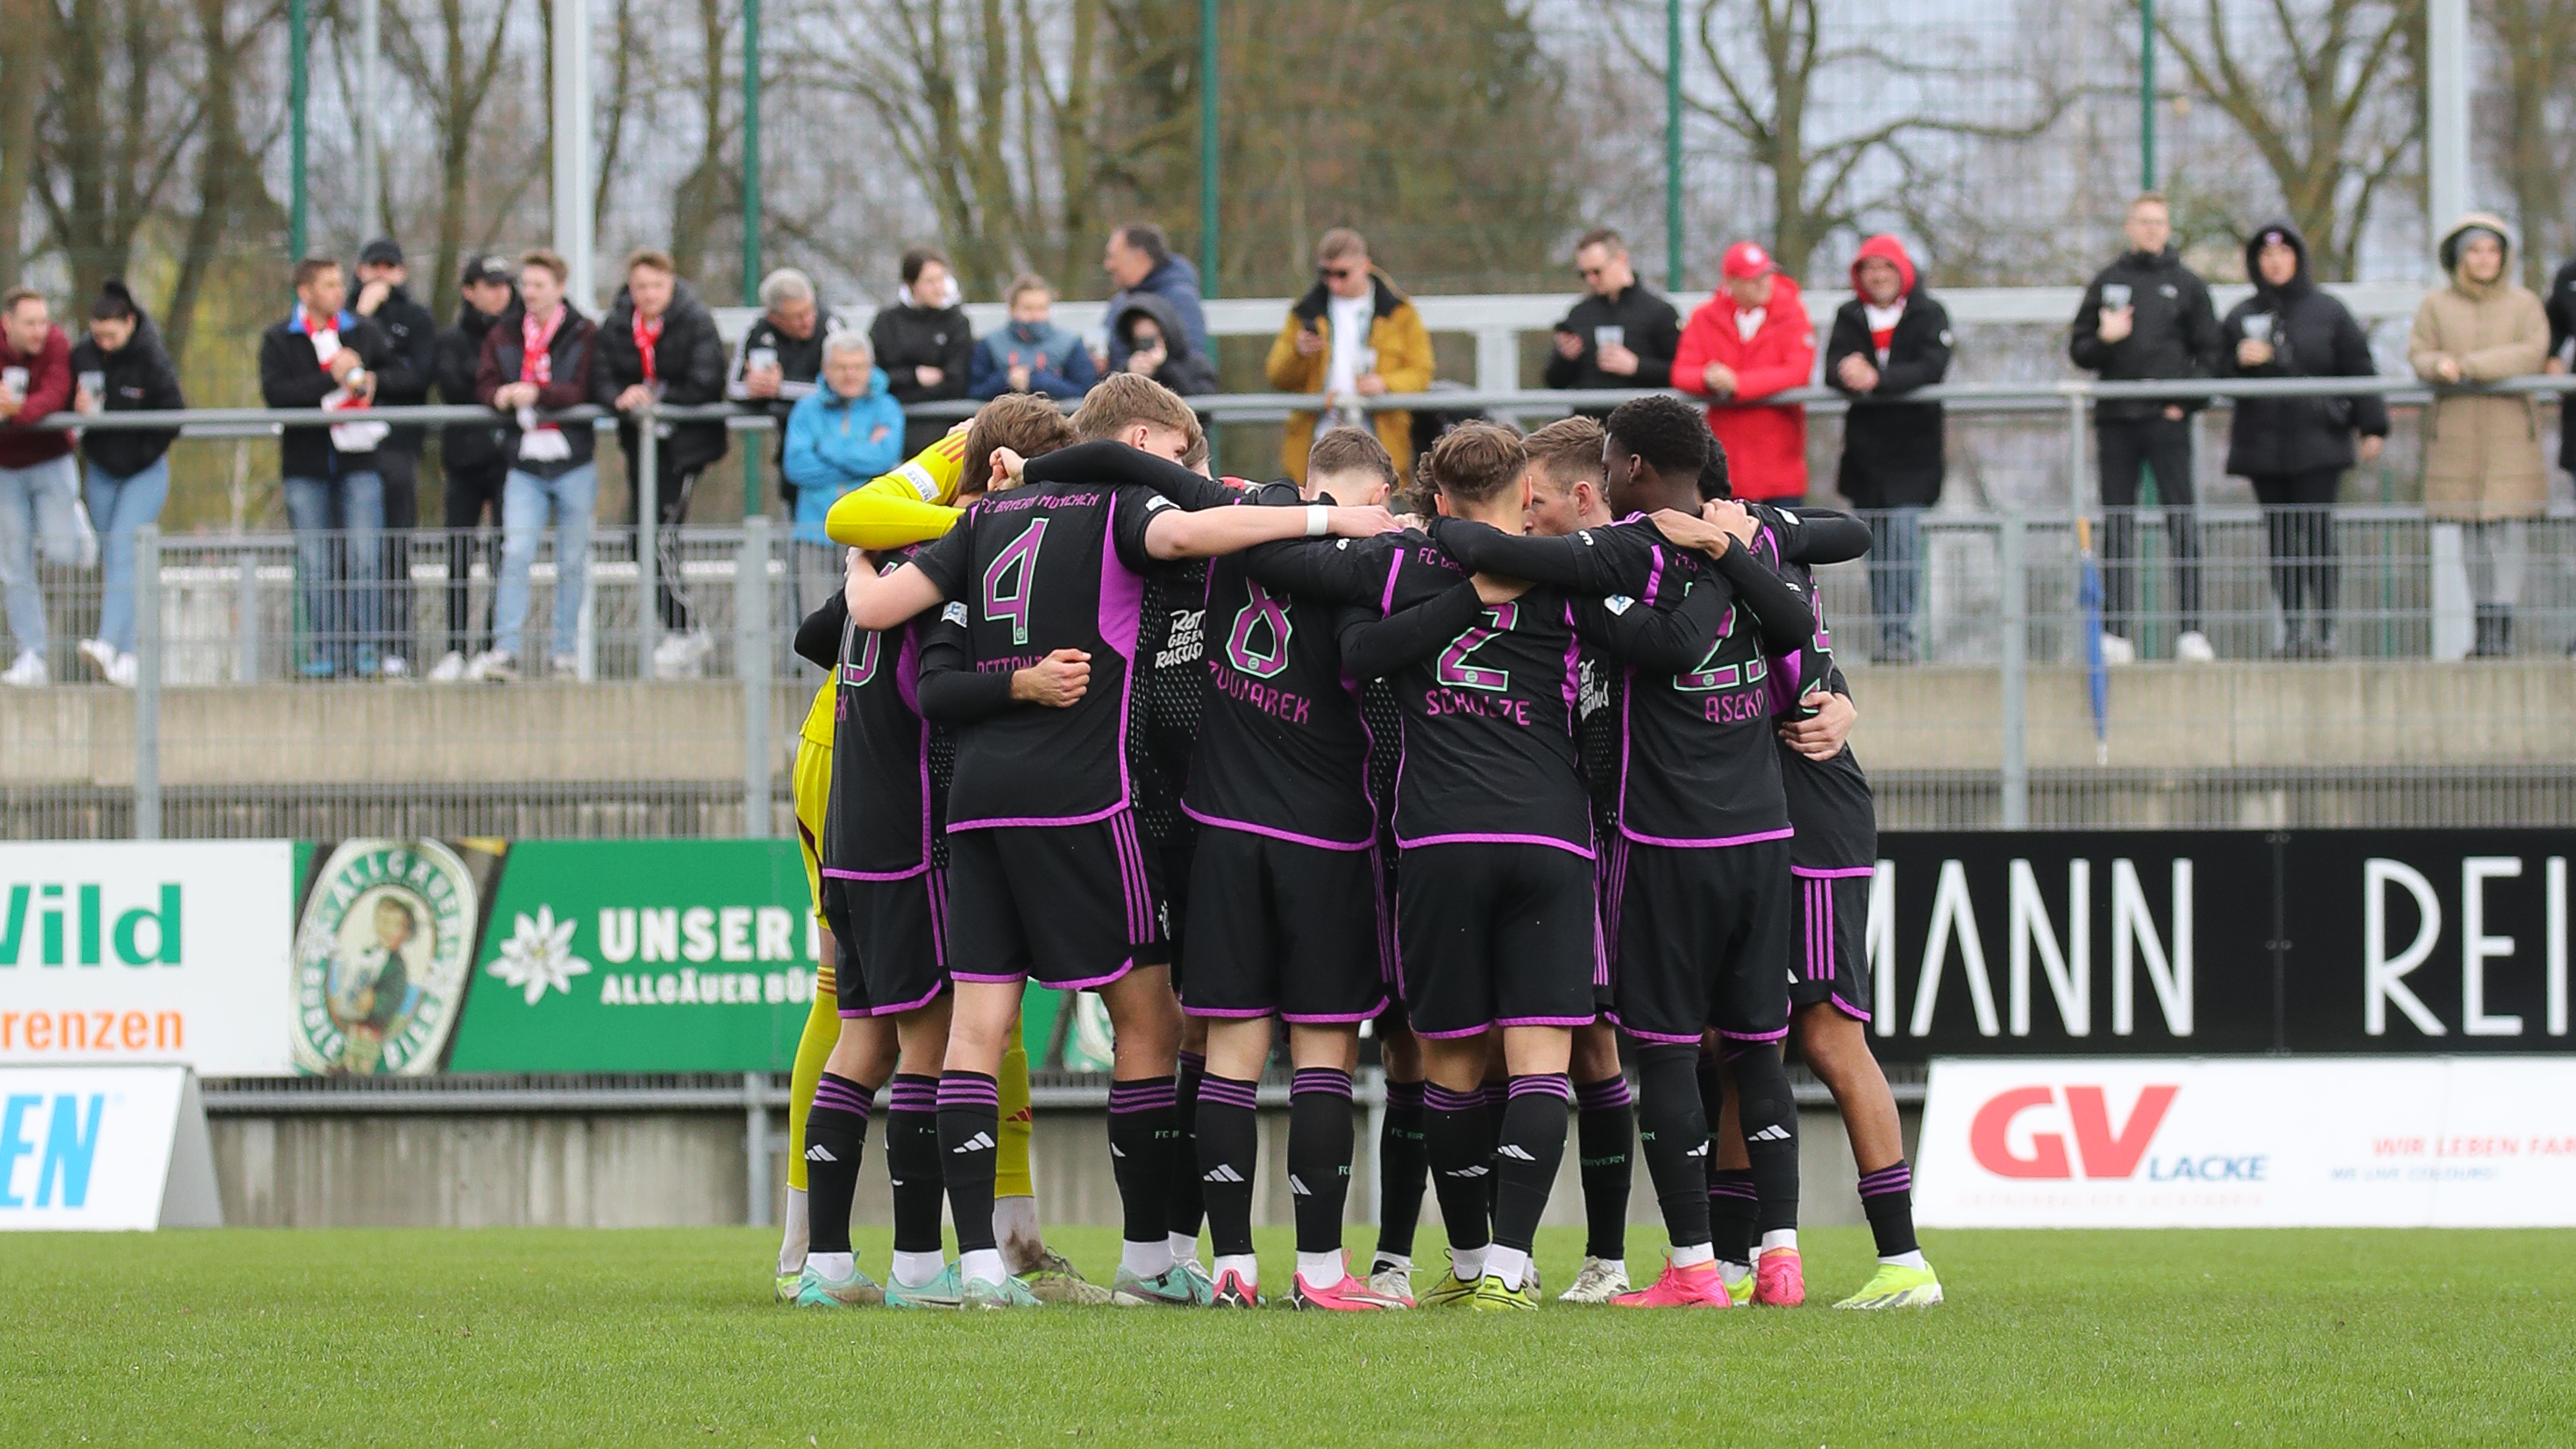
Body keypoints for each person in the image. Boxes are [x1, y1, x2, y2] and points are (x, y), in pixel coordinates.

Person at [838, 380, 1398, 1310]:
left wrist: (861, 571)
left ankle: (975, 1267)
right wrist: (1326, 521)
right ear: (1142, 439)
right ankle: (1148, 1260)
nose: (1188, 478)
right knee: (1147, 1019)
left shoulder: (987, 517)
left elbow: (881, 606)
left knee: (977, 1028)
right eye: (1182, 457)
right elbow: (1188, 535)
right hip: (1086, 796)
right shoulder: (1123, 505)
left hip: (975, 802)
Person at [1421, 403, 1816, 1310]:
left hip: (1664, 838)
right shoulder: (1744, 546)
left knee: (1670, 1054)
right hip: (1761, 836)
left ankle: (1688, 1267)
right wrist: (1732, 555)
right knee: (1758, 1049)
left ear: (1629, 472)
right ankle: (1779, 1259)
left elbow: (1522, 561)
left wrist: (1434, 518)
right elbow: (1799, 618)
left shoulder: (1626, 552)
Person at [1743, 496, 1946, 1310]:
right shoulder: (1687, 562)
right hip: (1751, 827)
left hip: (1814, 824)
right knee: (1738, 1043)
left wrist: (1841, 700)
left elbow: (1851, 535)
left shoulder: (1755, 560)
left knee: (1828, 1035)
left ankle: (1903, 1259)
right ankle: (1733, 1259)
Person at [2220, 221, 2389, 659]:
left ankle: (2326, 628)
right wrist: (2238, 361)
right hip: (2263, 446)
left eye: (2283, 253)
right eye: (2266, 255)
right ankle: (2291, 629)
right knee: (2279, 538)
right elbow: (2215, 370)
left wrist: (2372, 425)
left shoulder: (2328, 311)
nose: (2275, 262)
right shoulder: (2241, 316)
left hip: (2319, 443)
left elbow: (2358, 366)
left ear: (2298, 257)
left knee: (2317, 534)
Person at [2069, 193, 2221, 664]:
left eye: (2159, 221)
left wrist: (2186, 400)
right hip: (2117, 422)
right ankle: (2115, 633)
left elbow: (2212, 355)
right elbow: (2080, 350)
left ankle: (2192, 630)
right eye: (2143, 221)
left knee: (2182, 521)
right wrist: (2104, 337)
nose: (2152, 229)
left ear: (2169, 227)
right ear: (2129, 226)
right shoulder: (2108, 282)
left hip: (2168, 423)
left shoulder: (2189, 285)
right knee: (2119, 524)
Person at [2411, 213, 2550, 658]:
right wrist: (2437, 366)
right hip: (2457, 434)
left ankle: (2503, 627)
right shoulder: (2436, 304)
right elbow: (2420, 352)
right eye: (2474, 250)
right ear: (2459, 256)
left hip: (2510, 434)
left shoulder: (2524, 303)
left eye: (2492, 249)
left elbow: (2532, 352)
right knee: (2470, 532)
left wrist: (2468, 365)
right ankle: (2483, 628)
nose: (2484, 259)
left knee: (2507, 531)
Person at [593, 249, 729, 678]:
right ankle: (682, 627)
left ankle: (685, 627)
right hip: (640, 445)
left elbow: (708, 379)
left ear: (671, 284)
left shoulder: (695, 320)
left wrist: (659, 398)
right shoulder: (617, 325)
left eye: (656, 286)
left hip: (684, 447)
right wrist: (623, 396)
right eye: (640, 287)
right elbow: (600, 375)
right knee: (638, 535)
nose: (649, 295)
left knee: (660, 534)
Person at [259, 256, 394, 679]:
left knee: (364, 555)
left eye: (340, 283)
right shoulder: (280, 339)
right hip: (306, 464)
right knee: (315, 561)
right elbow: (277, 393)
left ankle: (367, 649)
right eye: (330, 284)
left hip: (359, 461)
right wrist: (330, 380)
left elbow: (399, 374)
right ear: (305, 292)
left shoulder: (362, 332)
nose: (340, 291)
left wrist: (372, 381)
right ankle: (328, 651)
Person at [469, 248, 598, 683]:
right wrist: (500, 397)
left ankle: (564, 653)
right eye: (525, 284)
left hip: (573, 462)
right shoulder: (503, 333)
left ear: (559, 288)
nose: (529, 293)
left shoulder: (582, 332)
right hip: (523, 461)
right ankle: (506, 650)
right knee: (516, 552)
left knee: (572, 559)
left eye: (539, 285)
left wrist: (538, 393)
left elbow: (583, 387)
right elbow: (484, 381)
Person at [1825, 233, 1952, 664]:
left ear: (1902, 271)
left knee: (1903, 540)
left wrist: (1878, 378)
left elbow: (1932, 366)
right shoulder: (1849, 315)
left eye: (1885, 267)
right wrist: (1849, 372)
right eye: (1869, 268)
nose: (1877, 276)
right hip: (1866, 456)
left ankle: (1903, 635)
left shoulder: (1929, 312)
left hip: (1914, 455)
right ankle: (1886, 632)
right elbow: (1832, 369)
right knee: (1874, 547)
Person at [68, 279, 182, 687]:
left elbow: (174, 412)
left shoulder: (151, 357)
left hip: (144, 470)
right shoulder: (84, 354)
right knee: (117, 558)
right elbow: (62, 399)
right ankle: (130, 657)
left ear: (130, 323)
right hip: (102, 470)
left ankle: (106, 642)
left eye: (111, 335)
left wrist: (142, 452)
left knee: (123, 546)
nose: (104, 343)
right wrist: (76, 408)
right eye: (97, 335)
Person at [1264, 228, 1434, 486]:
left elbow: (1421, 373)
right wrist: (1298, 353)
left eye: (1342, 274)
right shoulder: (1304, 313)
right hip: (1317, 440)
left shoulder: (1400, 312)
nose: (1333, 283)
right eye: (1326, 274)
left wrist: (1385, 384)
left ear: (1365, 265)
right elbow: (1276, 375)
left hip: (1381, 441)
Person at [428, 254, 520, 681]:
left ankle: (490, 646)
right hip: (463, 462)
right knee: (460, 555)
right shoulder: (451, 339)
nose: (499, 292)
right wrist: (498, 386)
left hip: (509, 462)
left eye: (504, 284)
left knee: (504, 556)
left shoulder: (521, 332)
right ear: (469, 290)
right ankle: (455, 648)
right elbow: (457, 382)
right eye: (489, 284)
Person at [1673, 241, 1818, 505]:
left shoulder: (1792, 313)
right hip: (1727, 469)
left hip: (1780, 470)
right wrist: (1707, 378)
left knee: (1783, 544)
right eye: (1753, 279)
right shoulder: (1705, 317)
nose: (1764, 284)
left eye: (1766, 275)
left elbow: (1798, 370)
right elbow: (1682, 372)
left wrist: (1738, 384)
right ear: (1732, 282)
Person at [352, 238, 438, 677]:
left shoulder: (416, 318)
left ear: (402, 272)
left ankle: (398, 649)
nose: (381, 275)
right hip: (349, 449)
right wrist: (363, 318)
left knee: (395, 550)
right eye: (374, 266)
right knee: (352, 552)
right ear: (360, 269)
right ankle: (351, 647)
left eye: (390, 267)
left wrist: (372, 379)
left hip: (399, 447)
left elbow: (417, 376)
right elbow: (337, 363)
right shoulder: (345, 315)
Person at [783, 331, 905, 609]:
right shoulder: (806, 410)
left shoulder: (887, 407)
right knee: (816, 622)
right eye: (841, 367)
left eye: (858, 367)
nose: (850, 374)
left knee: (867, 621)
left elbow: (884, 459)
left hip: (870, 535)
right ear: (825, 369)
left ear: (870, 368)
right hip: (815, 532)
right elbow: (797, 467)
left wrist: (825, 447)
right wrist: (859, 459)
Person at [0, 287, 80, 687]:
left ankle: (76, 519)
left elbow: (55, 393)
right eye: (29, 323)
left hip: (52, 461)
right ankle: (33, 654)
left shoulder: (56, 343)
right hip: (5, 469)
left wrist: (15, 412)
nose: (38, 331)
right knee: (14, 565)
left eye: (42, 322)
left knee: (66, 555)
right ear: (7, 323)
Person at [728, 267, 843, 510]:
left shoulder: (831, 326)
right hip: (792, 447)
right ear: (774, 317)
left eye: (810, 310)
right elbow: (733, 386)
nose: (808, 320)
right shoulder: (758, 330)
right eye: (797, 316)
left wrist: (781, 388)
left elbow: (845, 387)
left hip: (836, 438)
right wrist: (754, 387)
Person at [1543, 227, 1683, 413]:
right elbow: (1554, 381)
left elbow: (1680, 372)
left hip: (1643, 427)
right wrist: (1565, 358)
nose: (1591, 280)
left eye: (1597, 271)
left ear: (1621, 259)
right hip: (1590, 429)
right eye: (1584, 274)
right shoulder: (1580, 313)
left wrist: (1637, 367)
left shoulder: (1659, 311)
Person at [871, 246, 974, 458]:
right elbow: (873, 377)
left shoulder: (957, 323)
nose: (939, 288)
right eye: (930, 281)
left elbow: (956, 383)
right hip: (891, 420)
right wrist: (914, 375)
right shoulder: (886, 322)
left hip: (942, 423)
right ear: (910, 285)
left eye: (942, 279)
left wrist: (902, 389)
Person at [1102, 223, 1212, 376]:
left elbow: (1192, 362)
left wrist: (1155, 365)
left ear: (1140, 257)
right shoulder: (1120, 301)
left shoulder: (1180, 299)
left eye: (1113, 257)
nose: (1108, 265)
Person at [967, 274, 1098, 401]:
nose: (1035, 316)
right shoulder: (990, 344)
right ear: (1012, 309)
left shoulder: (1070, 344)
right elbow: (974, 390)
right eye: (1028, 309)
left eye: (1041, 308)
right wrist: (1007, 379)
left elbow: (1085, 390)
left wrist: (1036, 381)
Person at [1108, 293, 1218, 398]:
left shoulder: (1197, 365)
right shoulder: (1124, 368)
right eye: (1141, 341)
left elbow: (1202, 405)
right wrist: (1128, 376)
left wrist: (1164, 368)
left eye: (1153, 338)